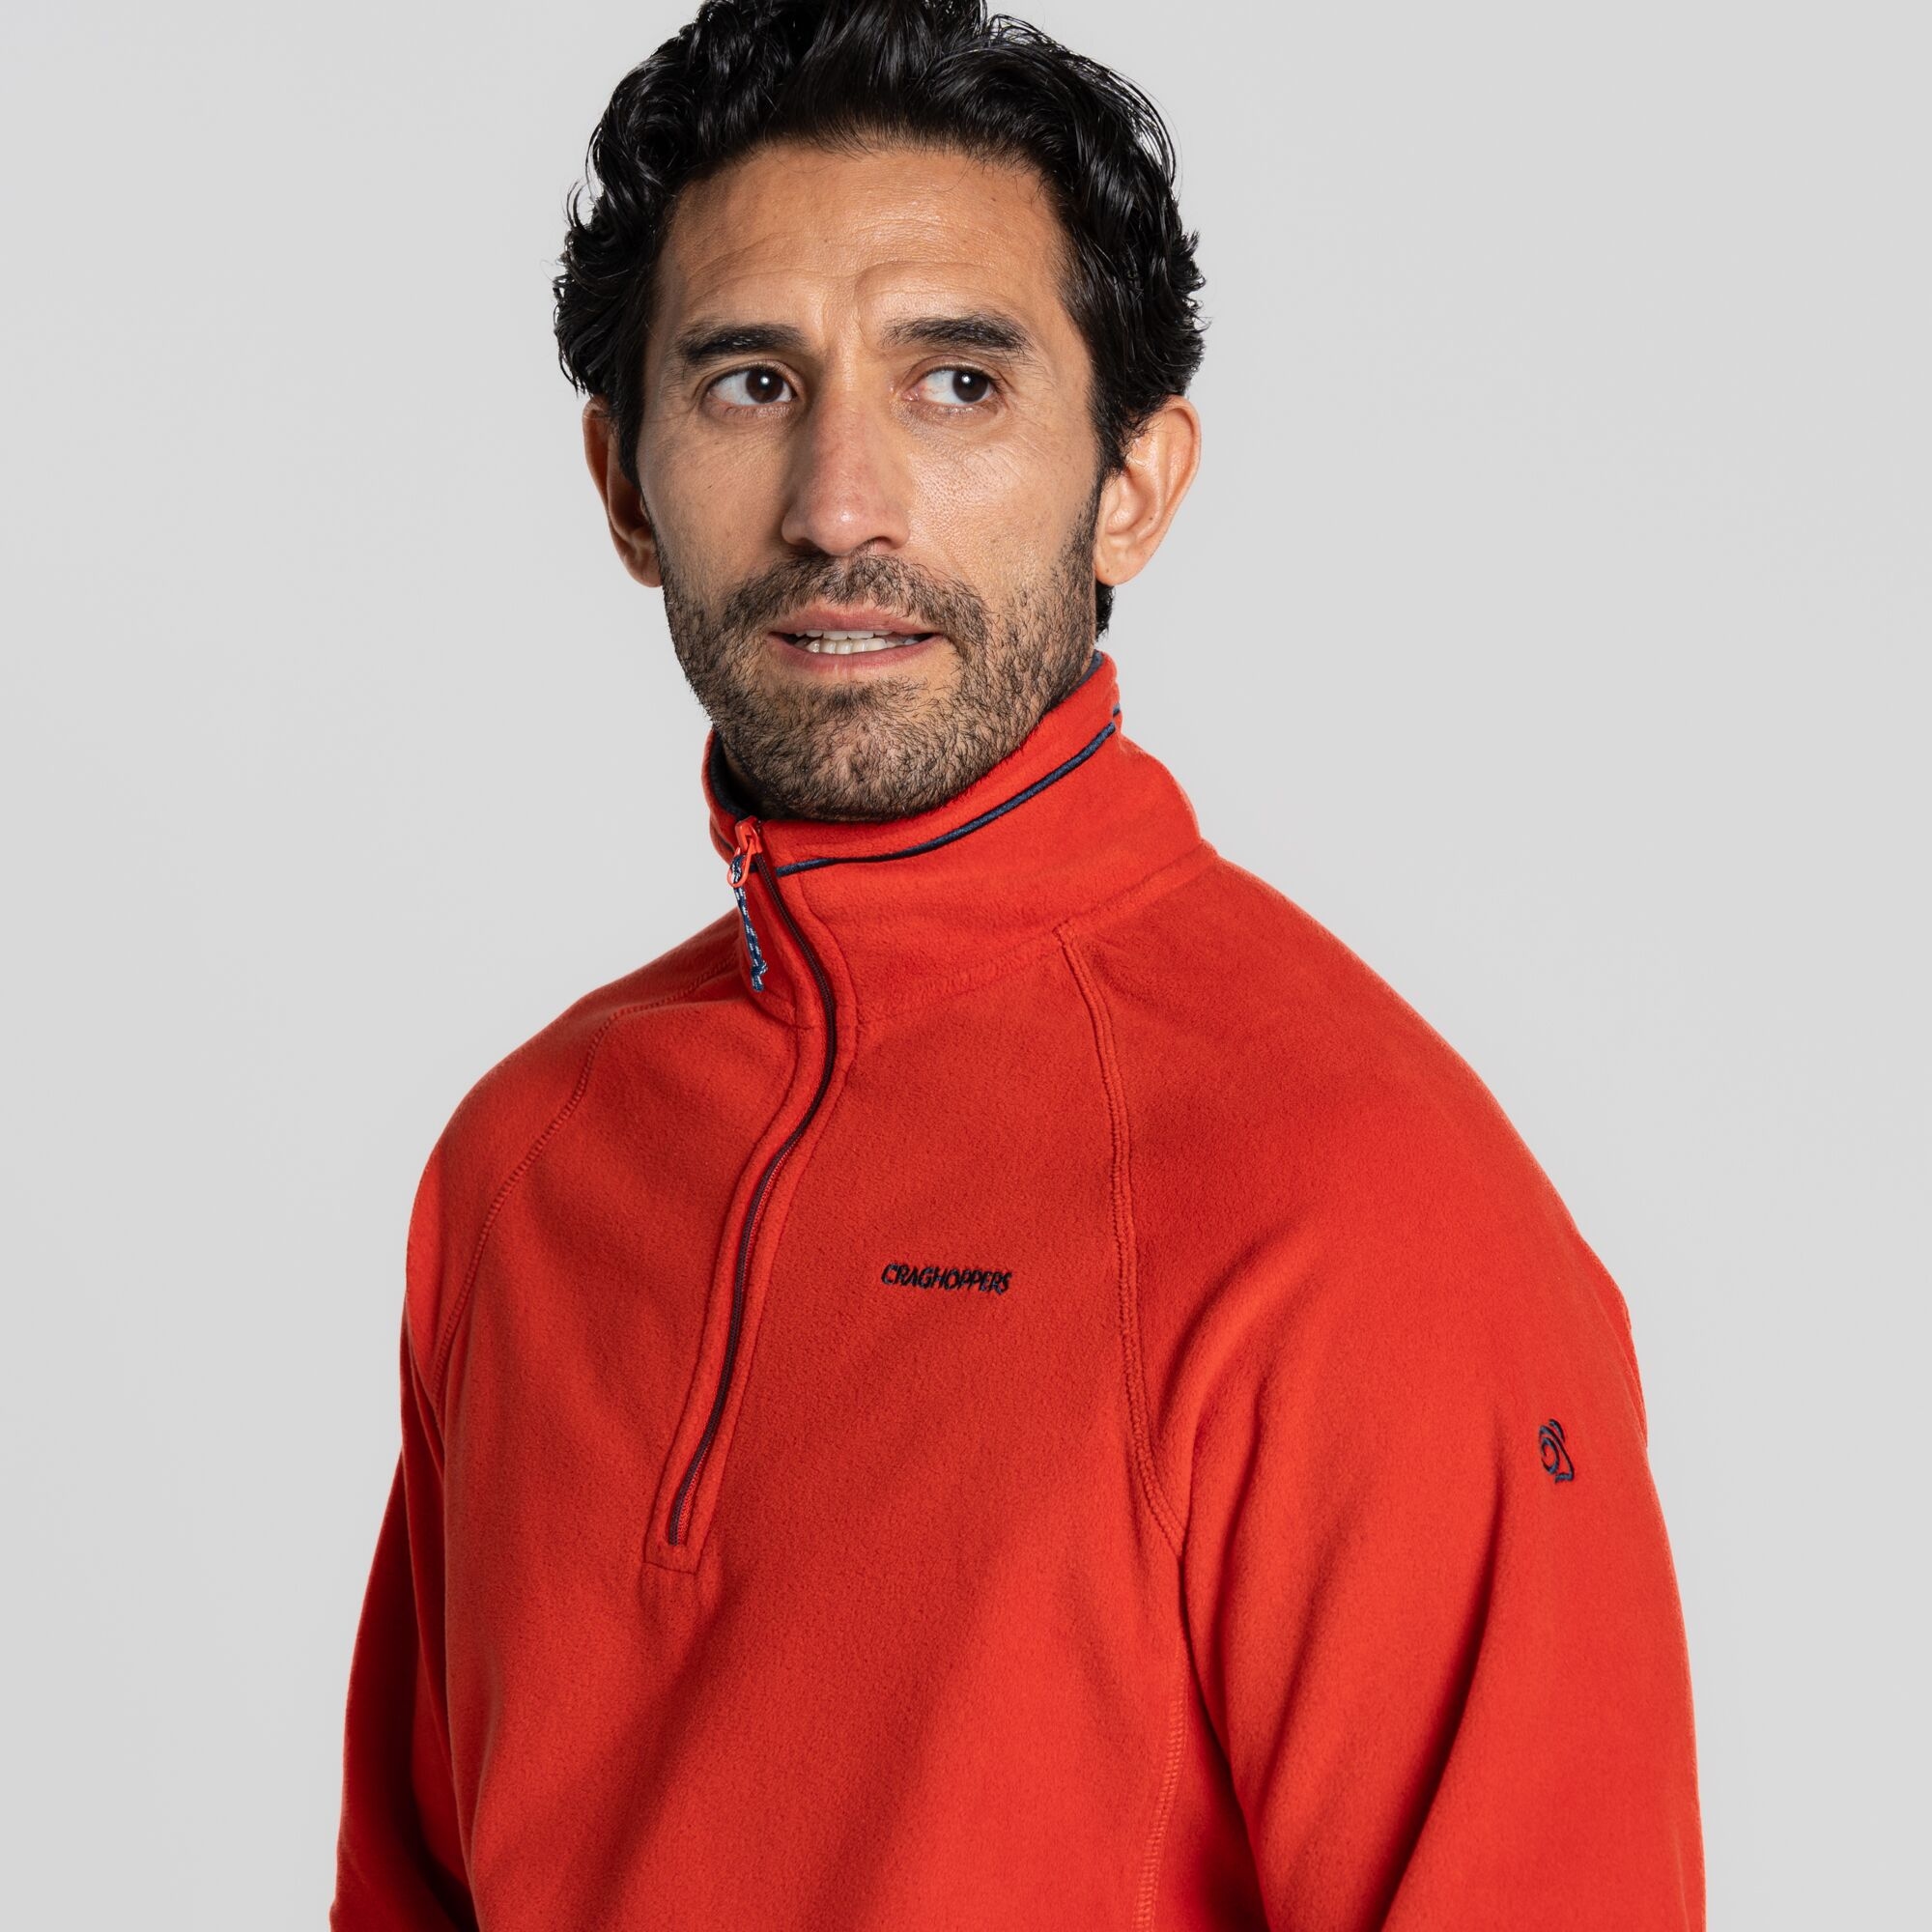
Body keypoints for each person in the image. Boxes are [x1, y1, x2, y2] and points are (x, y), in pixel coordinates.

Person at [329, 2, 1704, 1924]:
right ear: (625, 483)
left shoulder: (1363, 1207)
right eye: (749, 382)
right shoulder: (524, 1165)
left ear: (1133, 480)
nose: (839, 504)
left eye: (957, 384)